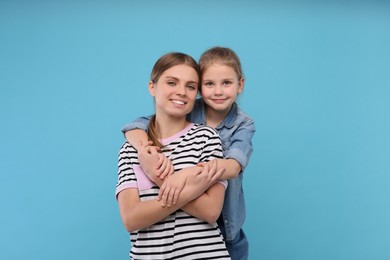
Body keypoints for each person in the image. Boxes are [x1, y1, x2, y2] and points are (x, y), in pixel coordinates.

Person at [122, 47, 255, 260]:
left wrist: (173, 175)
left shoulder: (241, 124)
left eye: (226, 83)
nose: (218, 91)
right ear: (201, 88)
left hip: (227, 228)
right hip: (185, 228)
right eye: (210, 84)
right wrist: (144, 151)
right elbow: (137, 126)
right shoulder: (185, 107)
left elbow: (232, 166)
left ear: (240, 85)